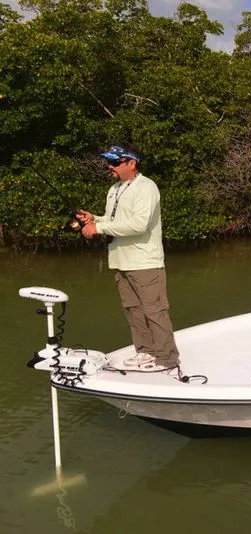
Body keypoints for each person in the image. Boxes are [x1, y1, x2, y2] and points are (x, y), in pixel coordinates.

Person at [77, 144, 180, 372]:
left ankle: (167, 359)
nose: (109, 166)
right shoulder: (114, 189)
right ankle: (145, 352)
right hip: (121, 261)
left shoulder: (146, 187)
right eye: (109, 162)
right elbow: (114, 219)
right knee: (133, 309)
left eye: (115, 162)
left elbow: (139, 224)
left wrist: (98, 229)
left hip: (145, 262)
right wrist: (95, 219)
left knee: (155, 311)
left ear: (131, 163)